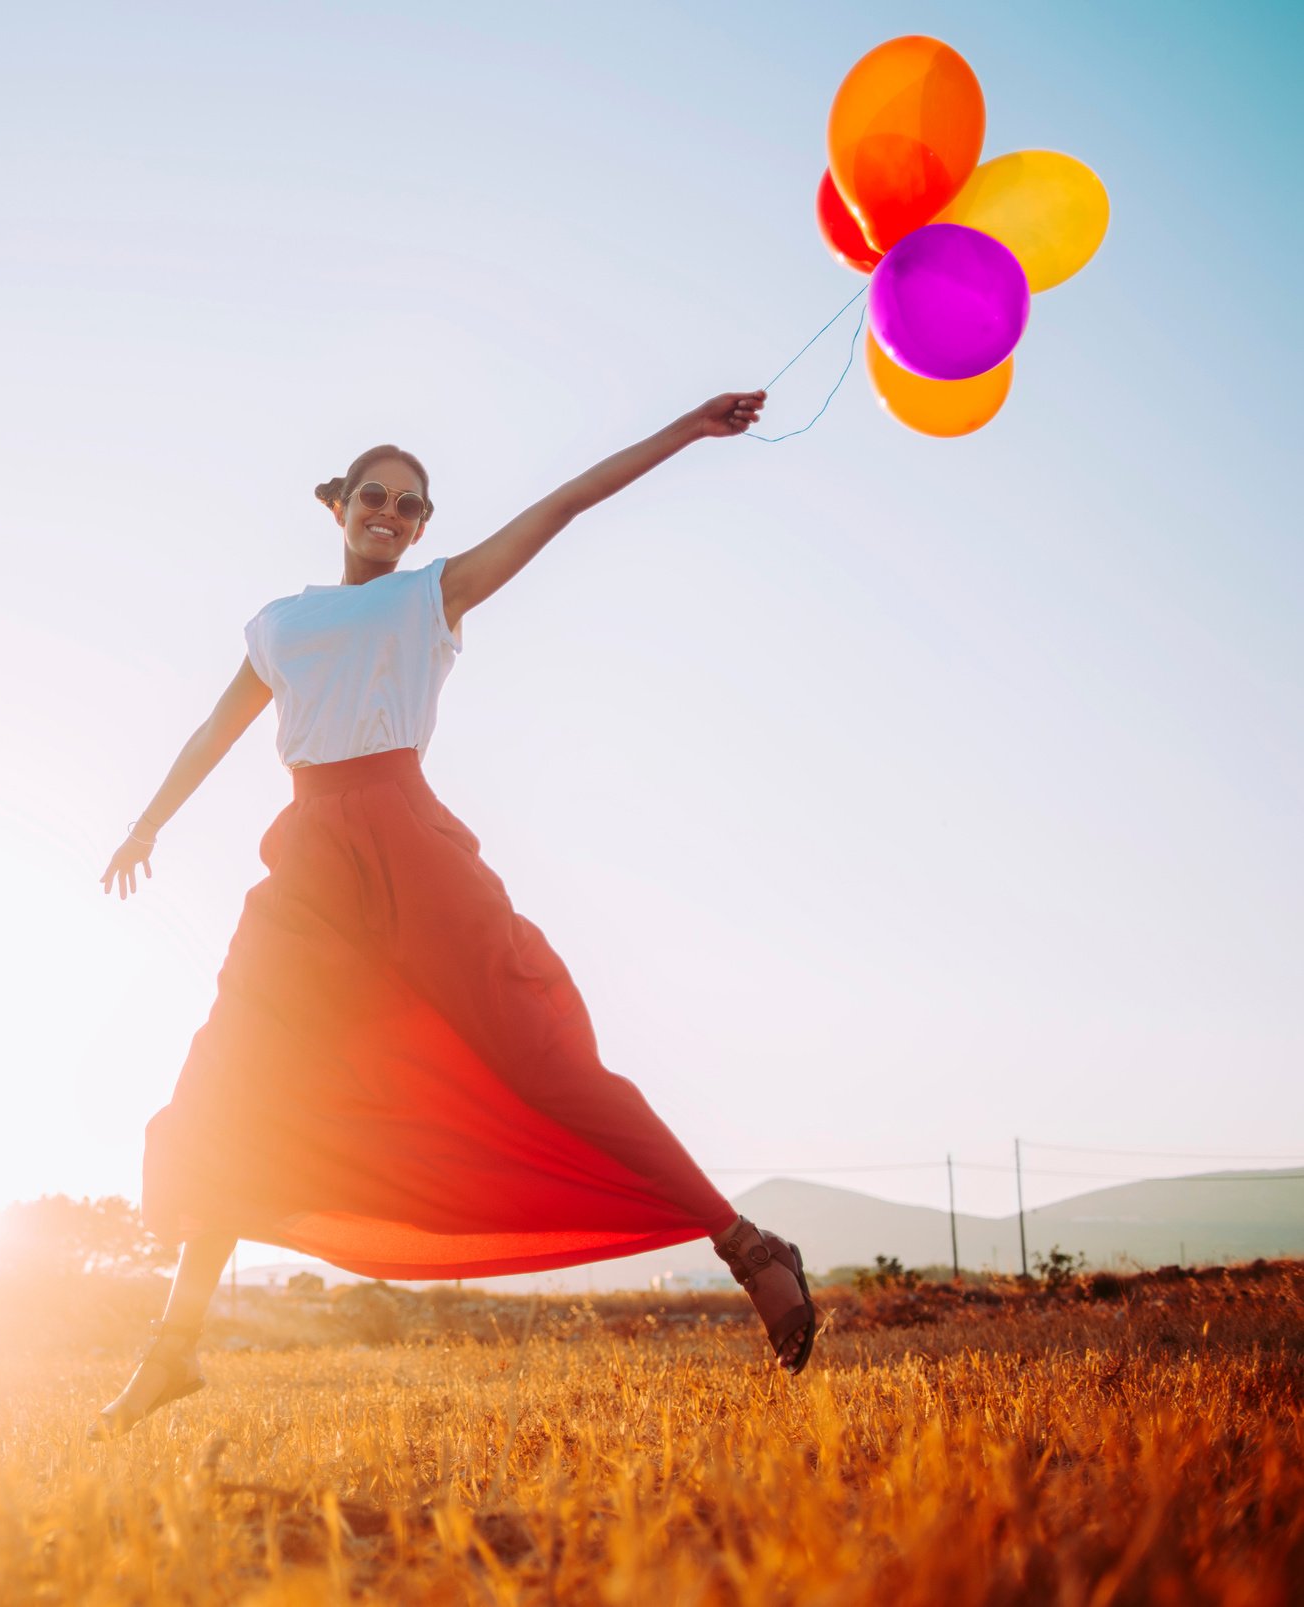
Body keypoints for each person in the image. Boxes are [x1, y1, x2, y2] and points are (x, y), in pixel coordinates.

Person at [90, 391, 817, 1440]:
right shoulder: (278, 623)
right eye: (373, 495)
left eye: (410, 504)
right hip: (306, 869)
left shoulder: (432, 595)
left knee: (545, 1060)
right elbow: (215, 727)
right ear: (336, 504)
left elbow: (565, 502)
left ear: (424, 526)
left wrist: (685, 429)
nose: (389, 512)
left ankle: (746, 1244)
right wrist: (146, 823)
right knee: (227, 1084)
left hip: (407, 844)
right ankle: (170, 1353)